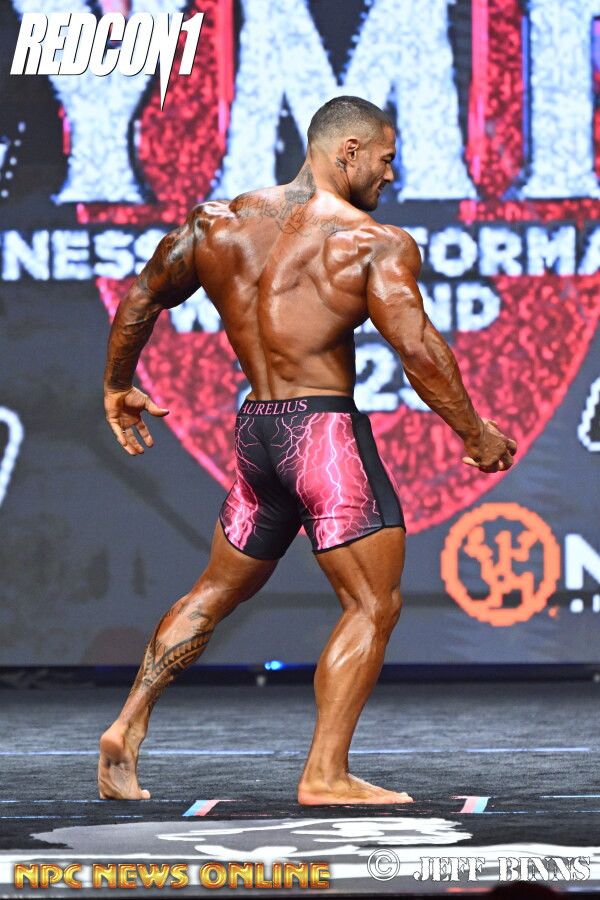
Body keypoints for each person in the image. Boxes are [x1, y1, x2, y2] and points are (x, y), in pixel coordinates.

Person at [98, 96, 517, 804]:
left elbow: (143, 296)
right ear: (348, 151)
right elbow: (417, 349)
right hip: (322, 437)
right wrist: (475, 432)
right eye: (385, 158)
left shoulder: (217, 224)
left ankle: (127, 724)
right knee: (372, 604)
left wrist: (117, 385)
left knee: (214, 589)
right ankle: (325, 773)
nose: (391, 174)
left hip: (258, 432)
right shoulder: (370, 242)